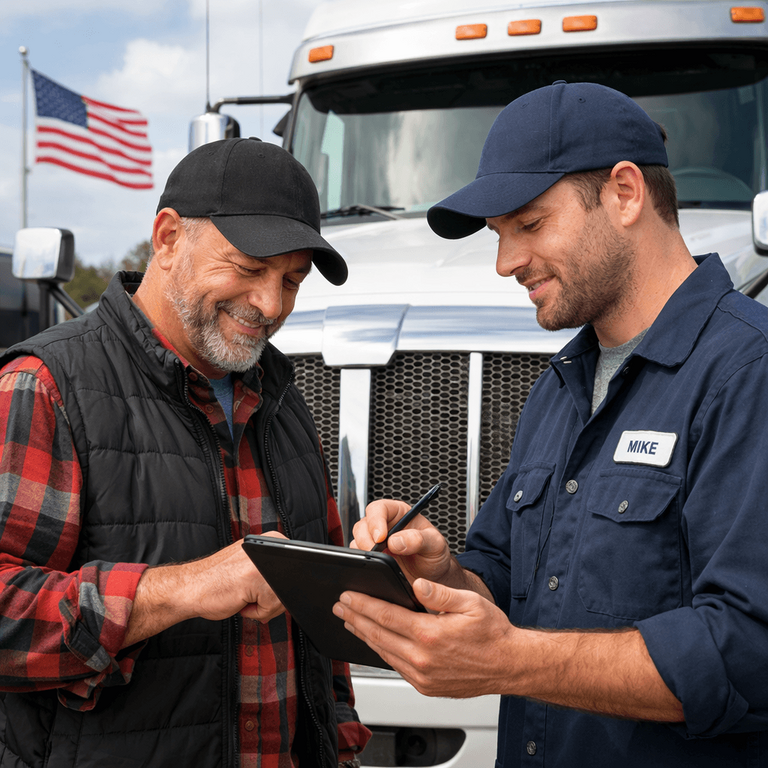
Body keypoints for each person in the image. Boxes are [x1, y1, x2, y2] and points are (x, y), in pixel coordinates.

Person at [334, 81, 768, 766]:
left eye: (529, 225)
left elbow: (749, 652)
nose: (506, 263)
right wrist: (443, 571)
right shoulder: (560, 387)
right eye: (500, 236)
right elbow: (507, 582)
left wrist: (510, 662)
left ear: (626, 193)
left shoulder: (749, 373)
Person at [0, 137, 370, 768]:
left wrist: (342, 744)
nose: (271, 304)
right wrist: (184, 589)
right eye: (249, 268)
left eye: (291, 280)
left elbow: (316, 629)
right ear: (167, 240)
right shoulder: (46, 386)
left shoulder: (281, 397)